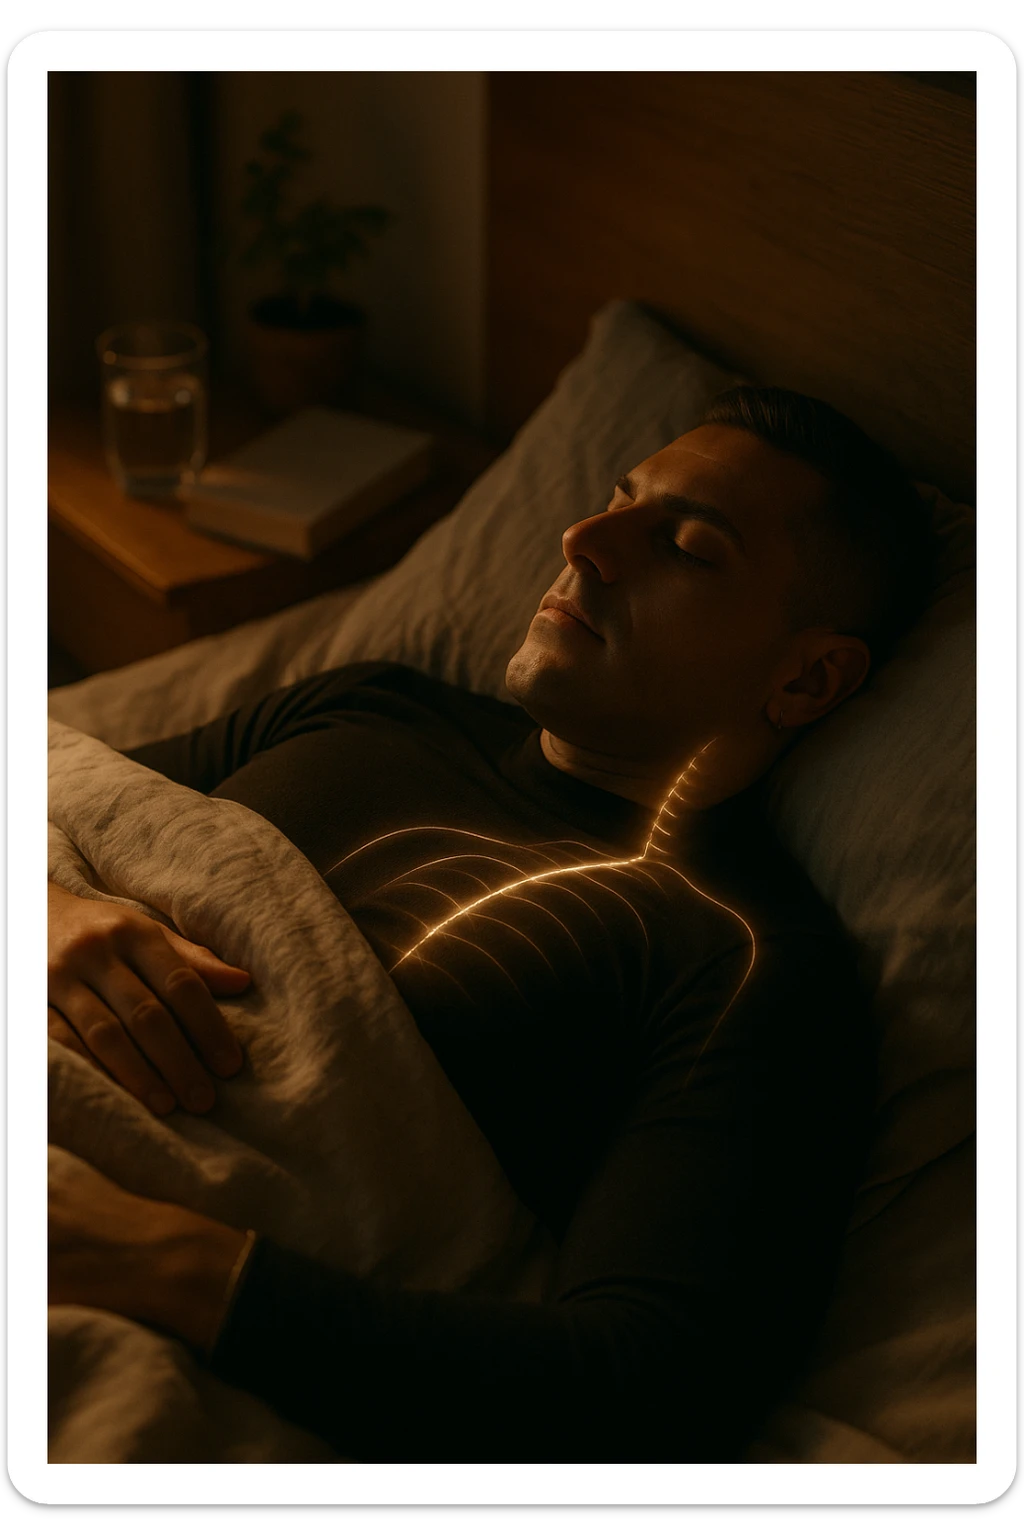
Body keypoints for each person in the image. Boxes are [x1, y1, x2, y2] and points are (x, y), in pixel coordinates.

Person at [47, 387, 935, 1463]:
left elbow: (647, 1379)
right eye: (614, 499)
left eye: (688, 547)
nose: (583, 540)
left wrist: (158, 1260)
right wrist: (47, 912)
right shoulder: (366, 703)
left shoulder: (738, 963)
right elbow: (69, 808)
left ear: (807, 677)